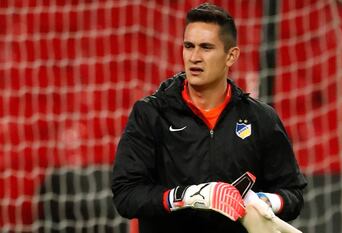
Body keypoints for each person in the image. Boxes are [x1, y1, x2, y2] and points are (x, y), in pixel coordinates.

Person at [111, 3, 307, 233]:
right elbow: (126, 195)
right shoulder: (151, 114)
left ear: (231, 56)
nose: (194, 57)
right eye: (188, 46)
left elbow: (293, 193)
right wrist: (187, 196)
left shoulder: (261, 119)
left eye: (206, 47)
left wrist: (265, 201)